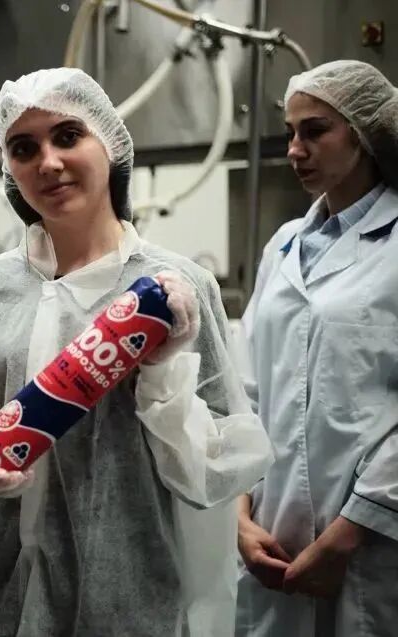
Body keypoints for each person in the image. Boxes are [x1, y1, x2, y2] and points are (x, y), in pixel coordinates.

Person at [0, 68, 273, 636]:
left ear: (111, 145)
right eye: (24, 148)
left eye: (68, 136)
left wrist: (164, 377)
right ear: (10, 170)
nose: (48, 162)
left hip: (124, 598)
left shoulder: (174, 290)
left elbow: (218, 467)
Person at [235, 60, 398, 637]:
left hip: (373, 546)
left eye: (315, 131)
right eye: (289, 132)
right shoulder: (284, 245)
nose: (294, 150)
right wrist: (239, 513)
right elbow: (247, 388)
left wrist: (348, 534)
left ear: (365, 133)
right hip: (272, 538)